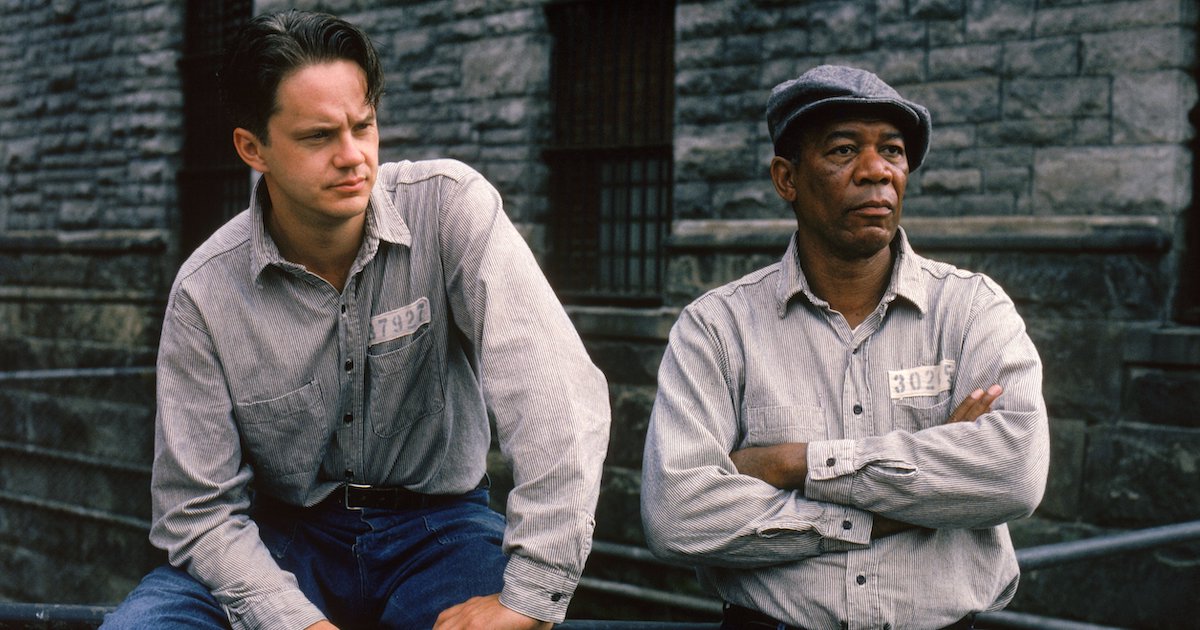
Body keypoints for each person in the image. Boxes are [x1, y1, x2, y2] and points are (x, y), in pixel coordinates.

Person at [102, 10, 609, 630]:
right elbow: (197, 510)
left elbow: (555, 395)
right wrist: (294, 621)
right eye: (318, 137)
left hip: (441, 532)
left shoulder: (451, 209)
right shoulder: (205, 292)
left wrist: (530, 592)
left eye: (363, 127)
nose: (353, 157)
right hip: (280, 539)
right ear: (252, 148)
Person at [640, 65, 1050, 630]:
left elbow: (1014, 474)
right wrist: (912, 495)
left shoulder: (973, 310)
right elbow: (677, 515)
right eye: (843, 150)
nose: (877, 171)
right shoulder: (716, 328)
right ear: (787, 178)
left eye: (894, 151)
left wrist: (793, 463)